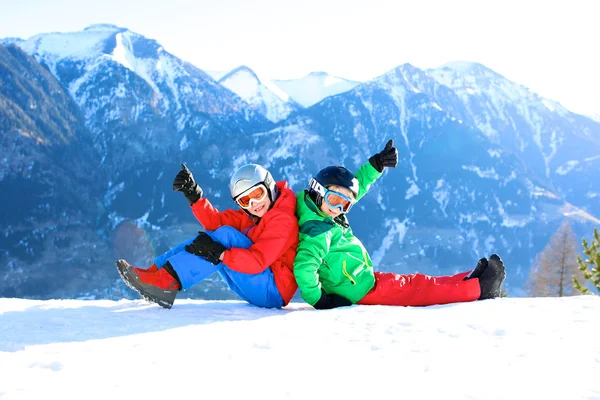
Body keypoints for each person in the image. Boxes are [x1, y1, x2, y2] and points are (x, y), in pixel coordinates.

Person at [293, 139, 506, 309]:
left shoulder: (318, 208)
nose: (339, 208)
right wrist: (320, 301)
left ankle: (467, 279)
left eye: (346, 204)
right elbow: (304, 268)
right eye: (334, 200)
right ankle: (480, 289)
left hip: (360, 280)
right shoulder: (318, 231)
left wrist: (375, 166)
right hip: (357, 289)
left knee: (417, 282)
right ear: (319, 191)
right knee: (420, 291)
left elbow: (350, 189)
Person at [116, 163, 299, 309]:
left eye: (258, 194)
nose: (254, 203)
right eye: (245, 200)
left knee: (224, 237)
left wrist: (221, 254)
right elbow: (217, 223)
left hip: (272, 290)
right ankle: (155, 273)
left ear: (269, 186)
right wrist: (195, 196)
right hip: (260, 283)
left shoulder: (283, 220)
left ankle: (164, 283)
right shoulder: (253, 215)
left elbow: (258, 260)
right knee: (210, 237)